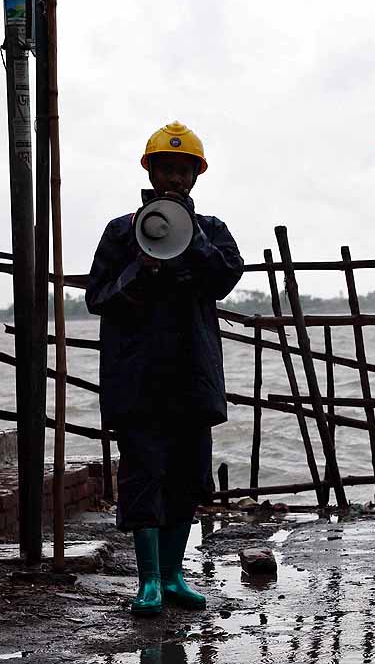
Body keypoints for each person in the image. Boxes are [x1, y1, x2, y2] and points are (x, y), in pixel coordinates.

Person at [86, 122, 244, 615]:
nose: (175, 178)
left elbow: (224, 279)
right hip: (139, 379)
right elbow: (97, 297)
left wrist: (191, 237)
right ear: (151, 171)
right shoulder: (121, 231)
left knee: (189, 477)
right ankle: (148, 581)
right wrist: (138, 269)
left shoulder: (212, 230)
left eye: (183, 170)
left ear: (195, 176)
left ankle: (174, 576)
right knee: (143, 475)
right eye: (166, 168)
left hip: (192, 377)